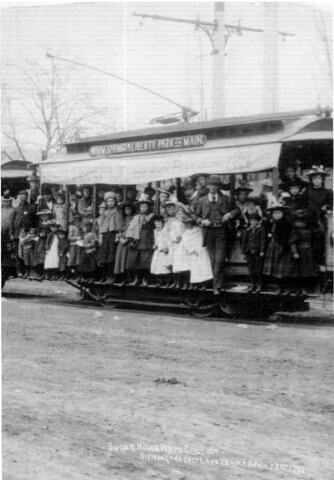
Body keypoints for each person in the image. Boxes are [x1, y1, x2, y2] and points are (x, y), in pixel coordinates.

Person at [196, 175, 239, 294]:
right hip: (208, 232)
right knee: (212, 259)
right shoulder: (201, 200)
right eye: (211, 185)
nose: (213, 187)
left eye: (216, 185)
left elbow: (237, 210)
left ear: (219, 186)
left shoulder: (225, 198)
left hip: (222, 231)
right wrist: (201, 221)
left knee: (219, 259)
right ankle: (217, 284)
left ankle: (217, 286)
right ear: (208, 185)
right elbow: (195, 215)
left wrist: (229, 214)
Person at [304, 165, 333, 266]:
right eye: (314, 178)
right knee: (309, 244)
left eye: (319, 178)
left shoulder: (327, 192)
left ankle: (321, 268)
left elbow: (331, 204)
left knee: (320, 245)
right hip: (309, 219)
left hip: (321, 219)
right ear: (311, 180)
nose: (317, 180)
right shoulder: (308, 192)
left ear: (323, 179)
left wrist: (327, 207)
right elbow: (302, 204)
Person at [125, 195, 155, 286]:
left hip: (147, 239)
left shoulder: (153, 216)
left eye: (145, 206)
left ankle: (145, 279)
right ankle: (137, 278)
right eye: (141, 206)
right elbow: (131, 229)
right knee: (135, 260)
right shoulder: (136, 217)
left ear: (149, 207)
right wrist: (131, 239)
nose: (143, 208)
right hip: (137, 240)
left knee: (145, 260)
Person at [263, 202, 292, 294]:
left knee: (284, 269)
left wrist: (283, 247)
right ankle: (279, 287)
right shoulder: (271, 223)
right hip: (273, 247)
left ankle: (287, 288)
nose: (277, 215)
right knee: (275, 269)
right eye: (275, 213)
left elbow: (287, 237)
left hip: (284, 247)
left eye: (279, 213)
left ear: (283, 214)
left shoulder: (286, 223)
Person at [288, 209, 319, 294]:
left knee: (307, 272)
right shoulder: (295, 230)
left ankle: (306, 287)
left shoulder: (310, 229)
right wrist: (294, 252)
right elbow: (292, 242)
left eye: (303, 219)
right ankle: (299, 288)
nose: (301, 222)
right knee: (298, 271)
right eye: (300, 219)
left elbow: (316, 235)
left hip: (309, 252)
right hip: (300, 252)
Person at [96, 192, 123, 285]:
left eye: (112, 201)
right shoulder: (105, 213)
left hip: (112, 235)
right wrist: (100, 236)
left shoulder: (117, 212)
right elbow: (101, 225)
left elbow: (119, 226)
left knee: (111, 257)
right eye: (108, 201)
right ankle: (105, 277)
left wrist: (118, 235)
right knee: (104, 257)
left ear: (115, 202)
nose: (110, 203)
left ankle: (112, 277)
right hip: (105, 236)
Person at [182, 214, 213, 289]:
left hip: (201, 250)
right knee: (195, 269)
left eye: (188, 223)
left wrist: (201, 248)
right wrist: (192, 250)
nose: (187, 224)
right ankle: (196, 284)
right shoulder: (185, 233)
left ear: (191, 222)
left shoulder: (199, 229)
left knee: (203, 267)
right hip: (194, 252)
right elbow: (186, 243)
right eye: (186, 223)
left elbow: (202, 239)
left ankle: (204, 284)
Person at [241, 211, 266, 293]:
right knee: (251, 270)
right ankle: (253, 285)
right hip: (249, 252)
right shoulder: (248, 230)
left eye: (255, 221)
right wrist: (243, 252)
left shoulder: (261, 229)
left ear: (258, 221)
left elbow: (263, 241)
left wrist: (262, 251)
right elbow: (244, 242)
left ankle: (260, 285)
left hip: (258, 252)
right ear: (249, 221)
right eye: (252, 221)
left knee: (258, 270)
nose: (253, 222)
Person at [114, 202, 135, 286]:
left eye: (129, 209)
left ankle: (129, 279)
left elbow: (133, 230)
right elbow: (120, 230)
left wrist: (127, 239)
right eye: (126, 209)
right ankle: (121, 278)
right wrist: (120, 237)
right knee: (120, 259)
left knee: (126, 260)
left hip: (129, 241)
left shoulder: (134, 218)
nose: (127, 211)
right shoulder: (123, 218)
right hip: (122, 241)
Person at [169, 206, 189, 289]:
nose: (179, 215)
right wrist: (174, 238)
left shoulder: (185, 222)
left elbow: (187, 232)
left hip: (183, 244)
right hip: (176, 244)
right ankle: (177, 281)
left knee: (184, 264)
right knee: (176, 264)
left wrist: (182, 237)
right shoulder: (173, 223)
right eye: (177, 214)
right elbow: (172, 232)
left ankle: (185, 282)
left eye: (180, 213)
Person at [150, 215, 170, 287]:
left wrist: (167, 248)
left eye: (160, 224)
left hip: (164, 250)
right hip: (158, 250)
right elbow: (156, 241)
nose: (158, 226)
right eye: (156, 224)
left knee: (164, 267)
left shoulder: (165, 231)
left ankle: (167, 282)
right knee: (157, 266)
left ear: (163, 223)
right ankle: (160, 281)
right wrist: (155, 245)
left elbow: (168, 241)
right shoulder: (155, 231)